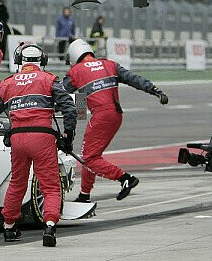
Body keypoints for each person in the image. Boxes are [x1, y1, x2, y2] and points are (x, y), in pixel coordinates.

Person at [0, 44, 76, 247]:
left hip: (17, 139)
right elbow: (69, 107)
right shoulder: (49, 79)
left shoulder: (8, 82)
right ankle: (49, 225)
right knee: (50, 185)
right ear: (42, 61)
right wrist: (68, 136)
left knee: (17, 183)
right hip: (42, 138)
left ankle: (8, 227)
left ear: (19, 62)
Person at [64, 39, 168, 203]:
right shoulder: (109, 64)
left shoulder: (76, 71)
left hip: (101, 116)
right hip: (116, 115)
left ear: (74, 56)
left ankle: (124, 178)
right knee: (92, 156)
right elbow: (133, 78)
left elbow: (59, 93)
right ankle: (84, 195)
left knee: (88, 158)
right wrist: (154, 89)